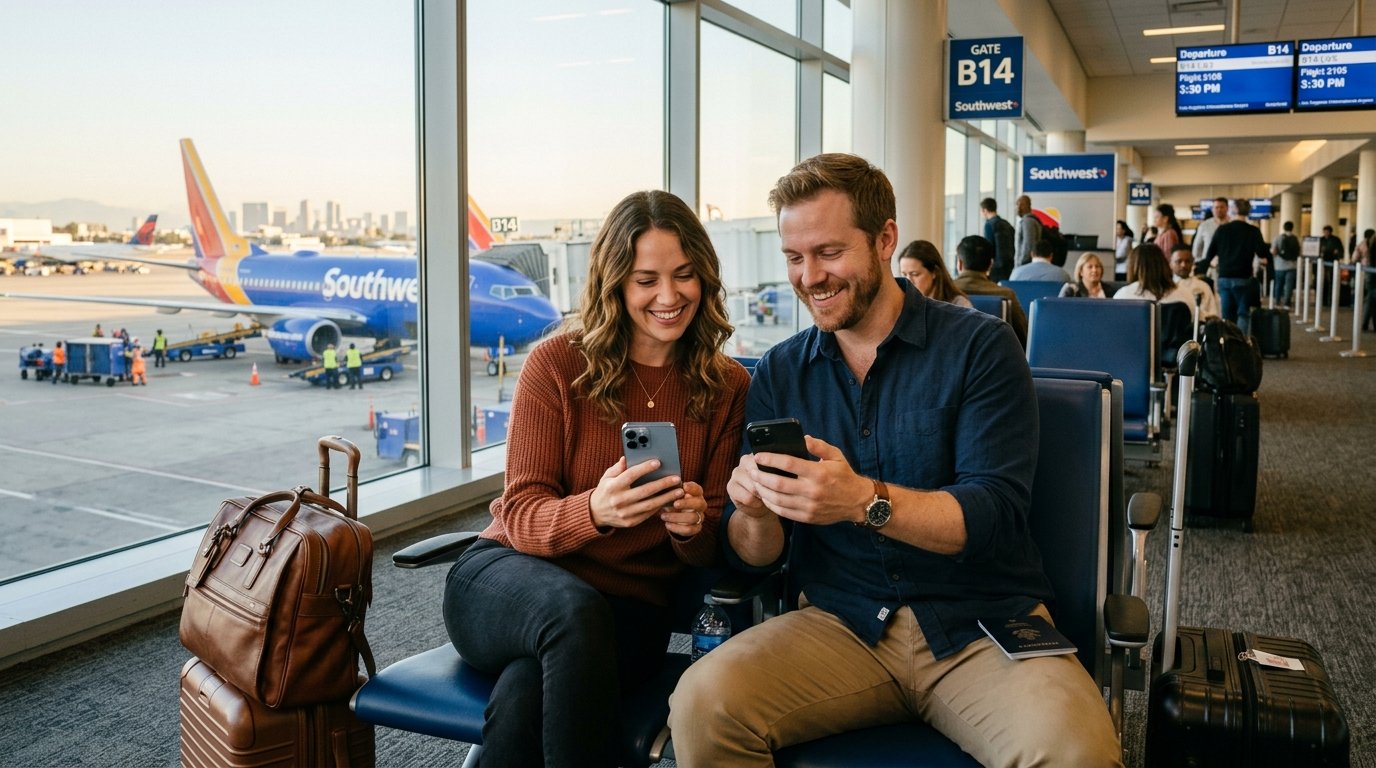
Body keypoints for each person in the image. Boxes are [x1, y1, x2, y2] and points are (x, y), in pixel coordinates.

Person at [667, 153, 1121, 767]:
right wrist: (753, 510)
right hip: (840, 624)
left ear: (885, 240)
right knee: (701, 704)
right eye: (794, 258)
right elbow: (759, 556)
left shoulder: (979, 347)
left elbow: (992, 514)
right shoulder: (780, 371)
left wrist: (860, 500)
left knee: (1076, 754)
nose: (810, 277)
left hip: (979, 623)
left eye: (828, 253)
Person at [443, 189, 750, 767]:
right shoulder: (558, 365)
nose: (669, 296)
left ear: (704, 279)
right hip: (506, 579)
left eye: (685, 276)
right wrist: (595, 511)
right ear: (615, 285)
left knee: (525, 697)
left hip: (625, 614)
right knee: (570, 614)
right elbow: (519, 513)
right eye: (646, 280)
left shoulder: (727, 386)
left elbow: (712, 543)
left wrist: (690, 525)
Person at [1203, 198, 1271, 335]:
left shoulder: (1222, 230)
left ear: (1233, 210)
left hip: (1225, 277)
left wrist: (1202, 269)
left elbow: (1210, 254)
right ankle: (1241, 345)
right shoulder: (1253, 231)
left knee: (1227, 314)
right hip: (1244, 277)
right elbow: (1262, 252)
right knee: (1243, 313)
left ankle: (1228, 344)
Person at [952, 234, 1028, 347]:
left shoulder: (944, 291)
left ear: (960, 263)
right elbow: (1023, 338)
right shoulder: (1006, 295)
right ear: (990, 265)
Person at [897, 239, 972, 308]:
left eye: (915, 274)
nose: (908, 281)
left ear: (934, 272)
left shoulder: (959, 305)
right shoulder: (903, 303)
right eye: (904, 274)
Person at [1166, 244, 1220, 319]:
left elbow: (1214, 314)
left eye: (1187, 261)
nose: (1183, 265)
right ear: (1170, 263)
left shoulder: (1203, 286)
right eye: (1179, 261)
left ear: (1192, 262)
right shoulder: (1165, 287)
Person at [980, 197, 1015, 283]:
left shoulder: (989, 225)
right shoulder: (1007, 224)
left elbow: (989, 247)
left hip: (996, 268)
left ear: (985, 210)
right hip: (1009, 265)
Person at [1270, 220, 1301, 308]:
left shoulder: (1278, 238)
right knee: (1289, 285)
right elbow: (1299, 252)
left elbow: (1273, 251)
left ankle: (1277, 301)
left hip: (1279, 266)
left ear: (1284, 228)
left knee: (1278, 284)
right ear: (1292, 228)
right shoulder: (1296, 238)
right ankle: (1287, 302)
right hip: (1292, 265)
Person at [1191, 197, 1229, 264]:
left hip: (1228, 264)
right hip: (1208, 264)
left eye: (1222, 207)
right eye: (1216, 207)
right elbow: (1197, 247)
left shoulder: (1233, 224)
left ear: (1227, 208)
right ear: (1212, 209)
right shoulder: (1204, 225)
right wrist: (1199, 263)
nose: (1219, 210)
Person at [1013, 194, 1042, 268]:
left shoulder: (1027, 222)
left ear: (1022, 206)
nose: (1016, 208)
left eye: (1017, 205)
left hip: (1025, 266)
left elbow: (1028, 245)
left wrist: (1021, 264)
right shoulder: (1032, 220)